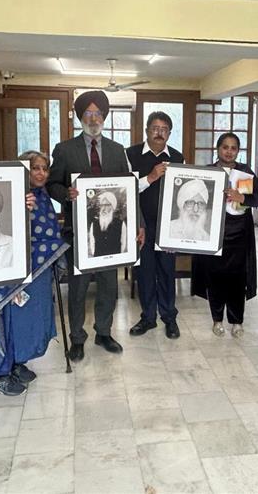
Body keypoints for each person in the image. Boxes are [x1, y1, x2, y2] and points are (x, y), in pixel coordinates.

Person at [0, 151, 67, 396]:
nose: (41, 173)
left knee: (26, 321)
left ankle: (16, 362)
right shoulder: (11, 196)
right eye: (35, 168)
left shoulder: (42, 196)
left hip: (36, 273)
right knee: (8, 320)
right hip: (11, 275)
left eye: (45, 168)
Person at [47, 90, 137, 362]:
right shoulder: (64, 149)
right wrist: (66, 194)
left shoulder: (117, 150)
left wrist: (137, 225)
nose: (94, 118)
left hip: (111, 232)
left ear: (104, 117)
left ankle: (104, 332)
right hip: (79, 233)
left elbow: (128, 190)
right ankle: (77, 338)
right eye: (88, 113)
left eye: (98, 113)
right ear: (80, 117)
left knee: (109, 287)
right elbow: (52, 184)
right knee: (78, 290)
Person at [191, 133, 258, 338]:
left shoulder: (245, 172)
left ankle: (237, 321)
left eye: (233, 148)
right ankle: (217, 320)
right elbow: (197, 199)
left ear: (238, 151)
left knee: (237, 280)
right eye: (225, 147)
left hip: (240, 234)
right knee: (215, 278)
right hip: (213, 233)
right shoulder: (208, 172)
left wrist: (242, 197)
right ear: (218, 149)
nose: (229, 151)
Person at [126, 112, 185, 339]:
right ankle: (148, 318)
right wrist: (150, 177)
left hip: (169, 226)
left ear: (169, 133)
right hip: (141, 225)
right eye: (155, 128)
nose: (159, 133)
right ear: (147, 131)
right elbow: (126, 190)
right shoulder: (131, 155)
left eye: (164, 129)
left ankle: (169, 318)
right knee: (145, 272)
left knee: (167, 272)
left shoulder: (177, 157)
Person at [88, 190, 126, 256]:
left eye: (107, 205)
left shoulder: (121, 224)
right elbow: (92, 244)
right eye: (102, 205)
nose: (103, 208)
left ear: (112, 207)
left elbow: (123, 244)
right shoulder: (94, 224)